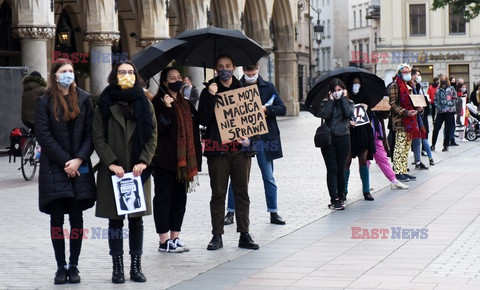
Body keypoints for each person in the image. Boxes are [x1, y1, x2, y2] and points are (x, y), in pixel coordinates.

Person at [93, 61, 157, 283]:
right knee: (115, 222)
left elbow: (152, 136)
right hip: (114, 172)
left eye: (130, 72)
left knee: (136, 221)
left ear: (136, 76)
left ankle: (136, 267)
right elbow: (98, 137)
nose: (127, 75)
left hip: (138, 172)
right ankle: (117, 267)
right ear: (115, 75)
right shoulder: (104, 101)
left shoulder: (144, 102)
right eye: (122, 72)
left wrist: (144, 161)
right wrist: (110, 162)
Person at [35, 58, 96, 284]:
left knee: (77, 220)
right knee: (57, 220)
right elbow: (43, 134)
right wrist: (66, 162)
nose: (68, 74)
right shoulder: (44, 101)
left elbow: (92, 133)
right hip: (54, 169)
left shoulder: (85, 99)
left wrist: (79, 159)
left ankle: (74, 264)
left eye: (71, 71)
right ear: (55, 74)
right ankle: (60, 266)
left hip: (79, 169)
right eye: (63, 71)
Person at [198, 54, 259, 250]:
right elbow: (203, 120)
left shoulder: (244, 90)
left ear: (234, 67)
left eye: (228, 65)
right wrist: (209, 96)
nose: (224, 69)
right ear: (215, 69)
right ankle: (217, 235)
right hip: (218, 151)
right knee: (218, 193)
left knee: (242, 192)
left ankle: (244, 234)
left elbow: (255, 121)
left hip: (240, 151)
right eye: (220, 66)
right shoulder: (209, 90)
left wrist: (250, 141)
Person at [224, 63, 287, 225]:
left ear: (258, 69)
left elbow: (282, 108)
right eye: (248, 73)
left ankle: (273, 212)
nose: (251, 75)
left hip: (264, 139)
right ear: (243, 71)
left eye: (253, 73)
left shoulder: (268, 87)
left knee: (268, 176)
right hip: (243, 139)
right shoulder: (236, 87)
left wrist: (266, 110)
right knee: (237, 178)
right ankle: (230, 212)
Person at [151, 67, 202, 253]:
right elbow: (157, 131)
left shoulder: (185, 104)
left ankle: (175, 237)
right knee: (164, 199)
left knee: (179, 199)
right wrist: (166, 108)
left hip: (184, 164)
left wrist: (197, 158)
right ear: (164, 82)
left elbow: (195, 132)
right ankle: (163, 240)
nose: (177, 80)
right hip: (164, 161)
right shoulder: (157, 102)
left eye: (179, 77)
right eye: (172, 78)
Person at [319, 78, 354, 210]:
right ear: (330, 92)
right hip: (328, 140)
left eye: (339, 90)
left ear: (344, 90)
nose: (337, 92)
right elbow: (326, 116)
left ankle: (342, 195)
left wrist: (343, 99)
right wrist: (331, 102)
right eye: (334, 91)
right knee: (332, 169)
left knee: (341, 168)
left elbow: (349, 114)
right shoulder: (325, 102)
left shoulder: (349, 102)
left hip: (343, 138)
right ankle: (334, 199)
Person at [344, 76, 375, 201]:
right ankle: (344, 191)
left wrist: (367, 109)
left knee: (363, 160)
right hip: (349, 132)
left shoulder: (366, 96)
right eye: (354, 82)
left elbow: (371, 116)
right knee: (346, 162)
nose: (356, 84)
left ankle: (366, 190)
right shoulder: (345, 97)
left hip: (363, 132)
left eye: (358, 82)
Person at [388, 63, 420, 182]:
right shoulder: (395, 85)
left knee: (406, 148)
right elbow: (393, 104)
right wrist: (406, 112)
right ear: (399, 73)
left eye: (408, 72)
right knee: (399, 147)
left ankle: (404, 170)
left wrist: (418, 108)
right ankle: (398, 171)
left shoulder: (409, 85)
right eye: (404, 72)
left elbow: (413, 101)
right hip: (400, 121)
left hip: (410, 121)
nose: (407, 74)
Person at [370, 111, 409, 190]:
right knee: (365, 159)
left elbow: (385, 115)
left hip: (376, 129)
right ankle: (365, 185)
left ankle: (393, 180)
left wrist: (385, 109)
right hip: (362, 128)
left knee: (382, 157)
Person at [410, 69, 434, 169]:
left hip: (419, 116)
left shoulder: (417, 86)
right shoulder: (408, 86)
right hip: (411, 115)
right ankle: (400, 165)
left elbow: (419, 99)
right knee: (410, 141)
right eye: (418, 75)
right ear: (412, 75)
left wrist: (421, 107)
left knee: (419, 139)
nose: (419, 77)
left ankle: (418, 161)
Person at [431, 74, 456, 152]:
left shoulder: (451, 89)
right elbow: (435, 100)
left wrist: (449, 104)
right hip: (440, 111)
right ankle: (433, 144)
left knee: (448, 128)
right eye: (442, 79)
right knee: (436, 128)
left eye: (445, 79)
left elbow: (455, 98)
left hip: (449, 111)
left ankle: (446, 145)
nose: (443, 80)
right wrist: (438, 106)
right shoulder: (438, 90)